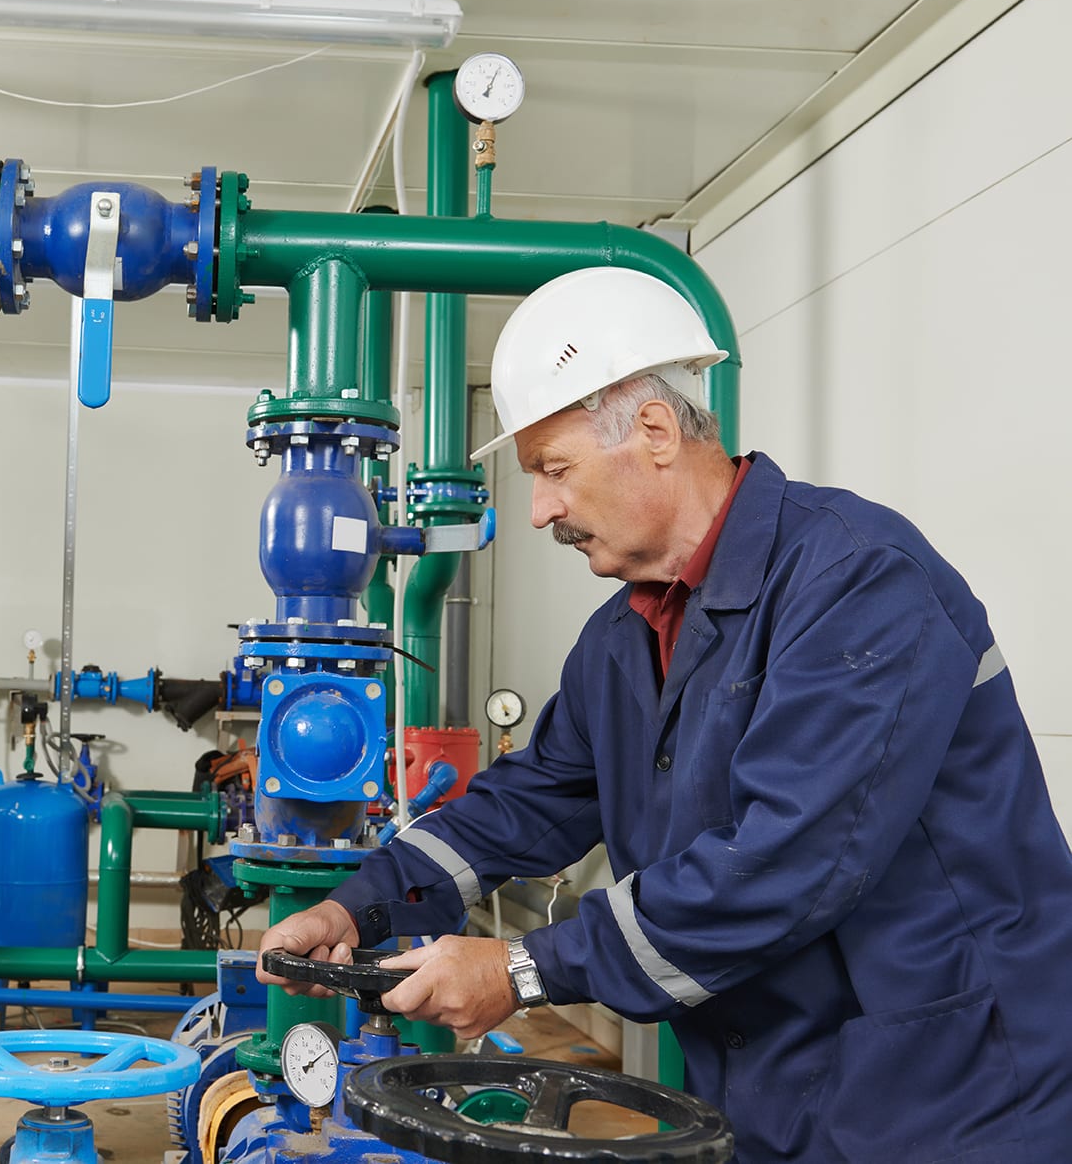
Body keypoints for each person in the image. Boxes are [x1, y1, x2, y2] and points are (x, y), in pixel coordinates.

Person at [258, 267, 1072, 1161]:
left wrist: (522, 968)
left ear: (651, 430)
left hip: (958, 1095)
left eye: (553, 470)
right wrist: (361, 905)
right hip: (772, 1089)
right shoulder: (624, 635)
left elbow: (783, 862)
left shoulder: (856, 579)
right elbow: (529, 800)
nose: (539, 511)